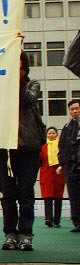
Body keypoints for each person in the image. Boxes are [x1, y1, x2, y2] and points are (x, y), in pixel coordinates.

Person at [0, 51, 45, 251]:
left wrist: (16, 80)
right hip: (3, 148)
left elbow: (27, 100)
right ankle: (10, 234)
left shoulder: (32, 85)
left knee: (26, 192)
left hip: (28, 147)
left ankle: (25, 234)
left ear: (25, 68)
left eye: (19, 66)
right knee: (7, 194)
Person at [57, 99, 80, 232]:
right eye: (72, 109)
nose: (75, 111)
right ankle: (77, 222)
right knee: (74, 195)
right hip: (70, 166)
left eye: (77, 108)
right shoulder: (67, 127)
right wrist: (61, 163)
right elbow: (61, 146)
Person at [40, 127, 65, 228]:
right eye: (49, 133)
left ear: (57, 135)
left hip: (59, 174)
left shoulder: (61, 147)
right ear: (47, 135)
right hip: (46, 174)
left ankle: (57, 221)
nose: (51, 135)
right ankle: (48, 218)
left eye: (53, 133)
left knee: (58, 198)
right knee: (48, 197)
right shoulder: (43, 147)